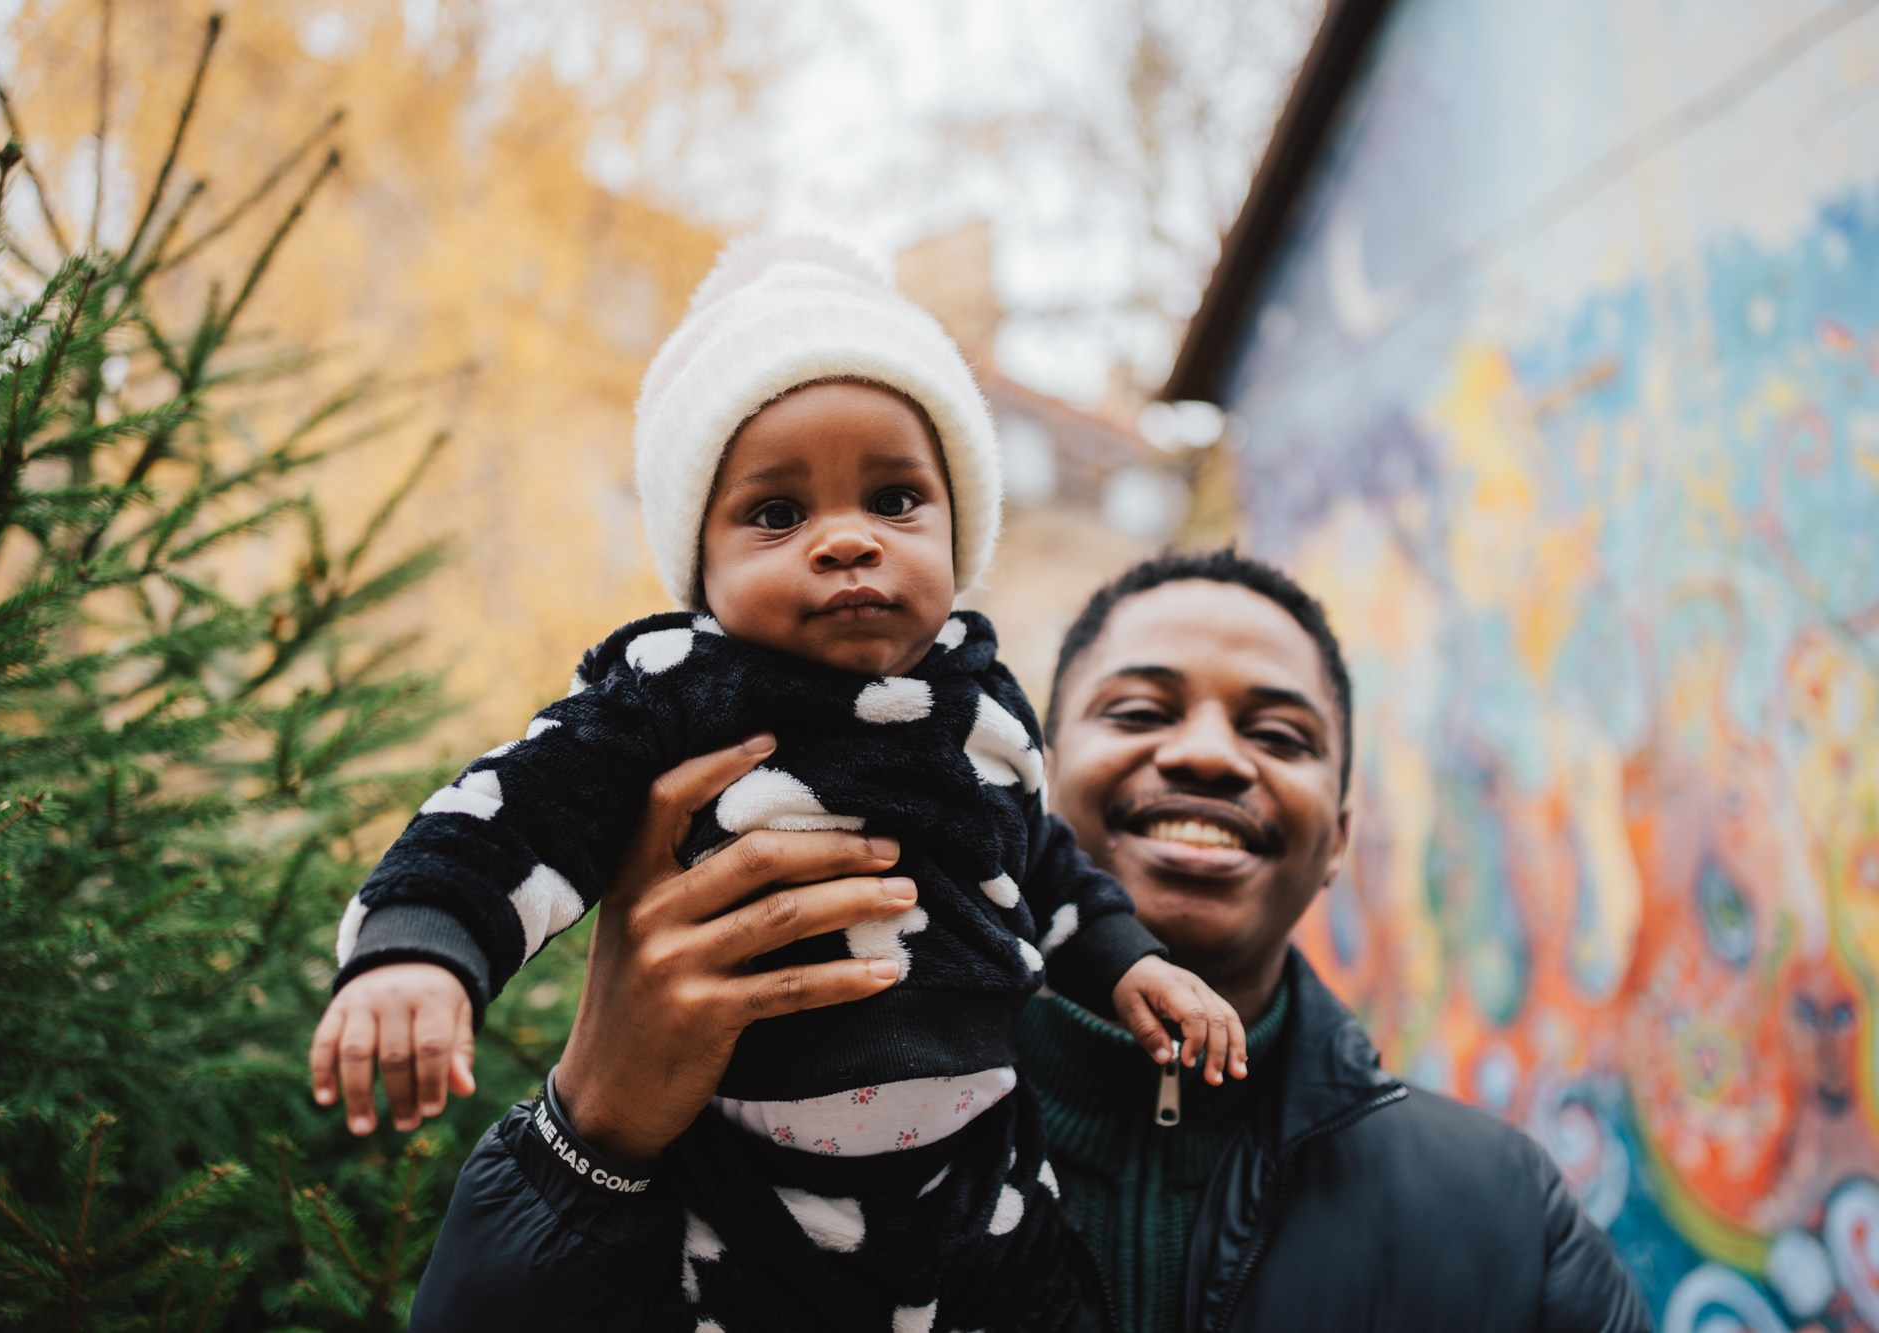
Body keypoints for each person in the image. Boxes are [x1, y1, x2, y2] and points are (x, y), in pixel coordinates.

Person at [310, 238, 1249, 1333]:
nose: (846, 539)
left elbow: (1037, 860)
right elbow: (514, 813)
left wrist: (1131, 963)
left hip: (981, 1174)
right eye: (775, 514)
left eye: (896, 499)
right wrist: (419, 951)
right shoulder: (674, 694)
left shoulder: (984, 706)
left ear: (959, 530)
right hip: (750, 1182)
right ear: (698, 566)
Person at [387, 548, 1655, 1332]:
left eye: (1278, 733)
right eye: (1142, 707)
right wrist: (590, 1132)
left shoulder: (1500, 1215)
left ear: (1337, 837)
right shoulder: (752, 1097)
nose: (1208, 752)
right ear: (1023, 783)